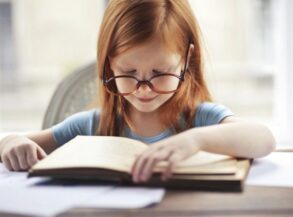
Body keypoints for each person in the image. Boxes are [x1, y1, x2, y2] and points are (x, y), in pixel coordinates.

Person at [0, 0, 275, 183]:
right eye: (129, 73)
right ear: (108, 63)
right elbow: (12, 141)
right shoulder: (92, 125)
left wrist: (194, 141)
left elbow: (263, 139)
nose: (144, 89)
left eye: (159, 73)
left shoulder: (200, 119)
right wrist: (10, 143)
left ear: (187, 60)